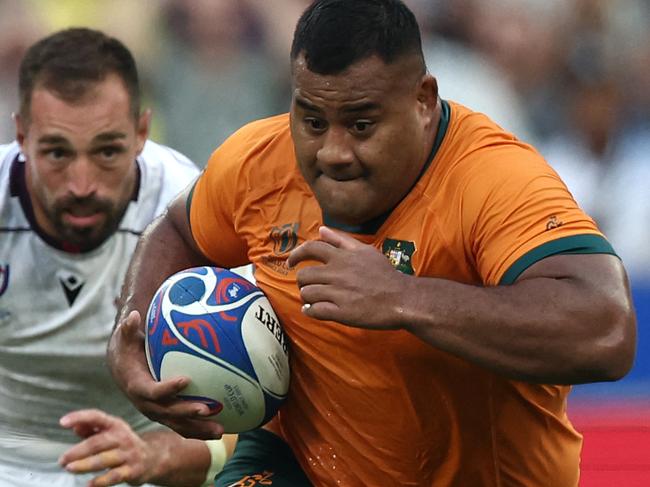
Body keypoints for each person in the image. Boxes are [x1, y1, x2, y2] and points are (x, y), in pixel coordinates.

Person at [107, 1, 637, 485]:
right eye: (312, 120)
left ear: (423, 100)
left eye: (361, 124)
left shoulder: (494, 178)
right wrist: (130, 335)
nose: (333, 151)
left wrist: (405, 298)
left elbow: (606, 331)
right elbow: (178, 228)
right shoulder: (257, 161)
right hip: (297, 462)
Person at [0, 27, 231, 486]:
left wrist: (155, 457)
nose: (82, 184)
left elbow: (245, 420)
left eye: (107, 151)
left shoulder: (192, 208)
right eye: (57, 153)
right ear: (22, 136)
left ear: (142, 131)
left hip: (145, 458)